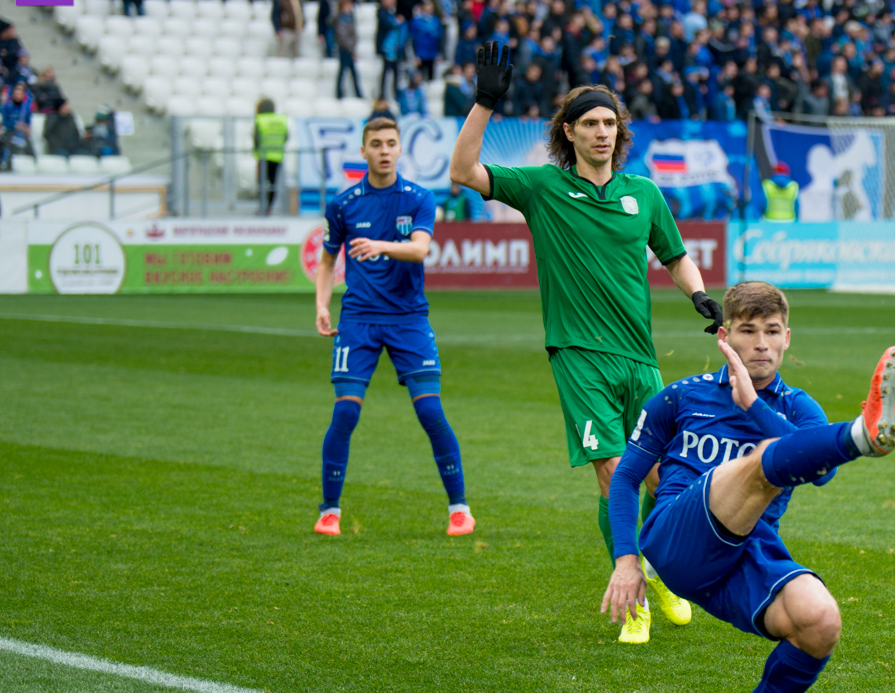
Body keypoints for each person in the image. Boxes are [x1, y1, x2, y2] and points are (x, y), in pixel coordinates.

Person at [448, 42, 722, 642]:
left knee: (663, 479)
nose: (603, 132)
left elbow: (674, 256)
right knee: (612, 470)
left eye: (610, 124)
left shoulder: (643, 194)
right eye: (591, 123)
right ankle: (635, 591)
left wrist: (699, 296)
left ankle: (662, 571)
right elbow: (463, 173)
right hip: (577, 354)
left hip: (639, 357)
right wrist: (484, 104)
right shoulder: (542, 187)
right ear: (568, 132)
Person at [601, 282, 895, 693]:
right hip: (677, 534)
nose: (761, 343)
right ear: (725, 338)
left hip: (745, 554)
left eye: (771, 331)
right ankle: (861, 436)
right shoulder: (680, 397)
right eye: (748, 331)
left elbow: (821, 471)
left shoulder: (798, 408)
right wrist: (625, 560)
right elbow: (626, 479)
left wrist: (754, 408)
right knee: (761, 463)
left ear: (788, 337)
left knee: (820, 620)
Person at [312, 117, 472, 537]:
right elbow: (328, 261)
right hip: (359, 320)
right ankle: (329, 511)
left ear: (400, 149)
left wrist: (380, 246)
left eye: (390, 143)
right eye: (376, 144)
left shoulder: (419, 198)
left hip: (408, 319)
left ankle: (459, 508)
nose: (384, 150)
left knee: (430, 410)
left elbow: (420, 250)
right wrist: (321, 305)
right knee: (345, 411)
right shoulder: (344, 204)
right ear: (363, 151)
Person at [253, 98, 288, 215]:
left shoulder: (260, 119)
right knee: (273, 184)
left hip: (263, 156)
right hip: (278, 156)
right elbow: (286, 137)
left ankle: (261, 208)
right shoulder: (281, 120)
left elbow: (256, 138)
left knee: (262, 183)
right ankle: (269, 209)